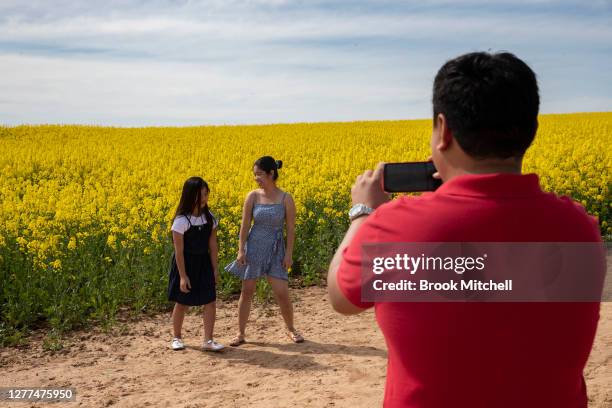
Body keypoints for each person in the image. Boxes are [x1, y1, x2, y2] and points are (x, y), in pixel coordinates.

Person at [327, 52, 604, 407]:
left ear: (444, 130)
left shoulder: (396, 228)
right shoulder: (580, 228)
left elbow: (340, 297)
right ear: (531, 131)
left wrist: (363, 214)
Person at [225, 156, 304, 346]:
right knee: (247, 291)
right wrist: (241, 250)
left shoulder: (286, 198)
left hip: (277, 250)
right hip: (254, 247)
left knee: (282, 293)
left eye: (259, 174)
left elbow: (291, 229)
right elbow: (244, 226)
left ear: (271, 173)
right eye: (254, 175)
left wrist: (289, 254)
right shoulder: (252, 196)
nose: (256, 178)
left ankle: (291, 329)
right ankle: (240, 334)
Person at [168, 177, 224, 352]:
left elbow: (213, 246)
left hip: (204, 263)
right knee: (182, 302)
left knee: (210, 301)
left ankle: (208, 340)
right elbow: (178, 251)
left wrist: (215, 269)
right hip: (186, 264)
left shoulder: (210, 218)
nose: (204, 198)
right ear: (189, 196)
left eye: (206, 194)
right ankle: (176, 337)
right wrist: (183, 276)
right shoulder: (181, 221)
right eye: (200, 195)